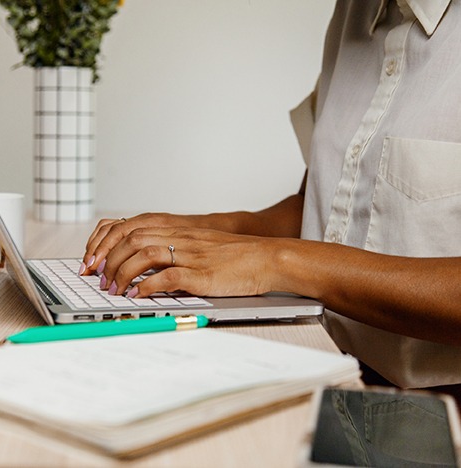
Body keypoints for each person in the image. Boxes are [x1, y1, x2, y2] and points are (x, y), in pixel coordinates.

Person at [80, 0, 461, 398]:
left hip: (439, 410)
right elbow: (328, 203)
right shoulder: (355, 13)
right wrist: (197, 233)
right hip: (327, 364)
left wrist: (277, 262)